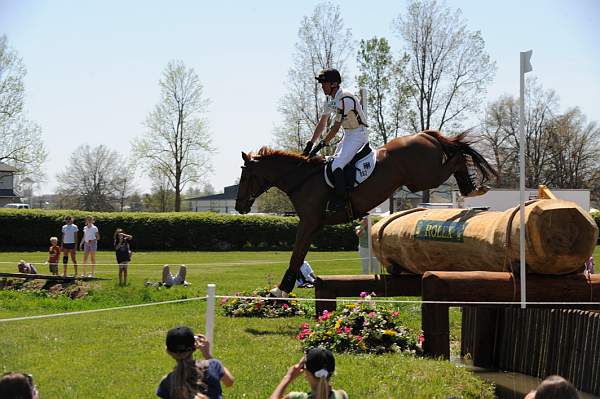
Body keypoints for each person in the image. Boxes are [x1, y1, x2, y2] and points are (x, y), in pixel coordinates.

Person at [303, 68, 369, 212]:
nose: (322, 86)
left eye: (324, 83)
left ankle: (342, 200)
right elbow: (322, 123)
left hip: (358, 134)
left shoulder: (345, 98)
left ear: (334, 84)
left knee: (337, 165)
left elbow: (335, 127)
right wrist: (310, 143)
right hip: (349, 134)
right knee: (331, 162)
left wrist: (321, 145)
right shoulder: (331, 101)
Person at [156, 326, 234, 399]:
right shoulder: (213, 366)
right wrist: (207, 354)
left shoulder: (166, 383)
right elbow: (229, 382)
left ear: (168, 351)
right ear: (195, 346)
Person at [270, 347, 348, 399]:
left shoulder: (296, 397)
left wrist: (287, 378)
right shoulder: (342, 395)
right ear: (332, 372)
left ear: (306, 373)